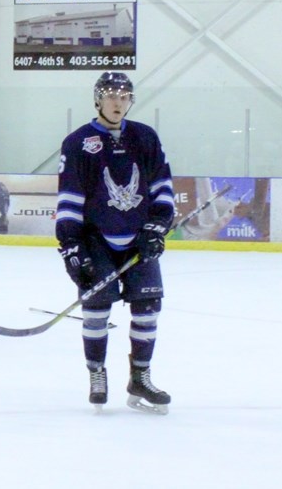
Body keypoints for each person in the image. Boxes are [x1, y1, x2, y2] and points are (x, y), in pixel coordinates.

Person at [55, 72, 174, 414]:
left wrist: (156, 227)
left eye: (124, 95)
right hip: (96, 239)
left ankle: (140, 376)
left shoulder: (145, 137)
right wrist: (71, 246)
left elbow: (162, 187)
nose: (117, 101)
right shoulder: (78, 142)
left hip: (138, 238)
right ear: (97, 99)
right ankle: (97, 373)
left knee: (149, 308)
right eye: (110, 94)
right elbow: (69, 199)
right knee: (96, 309)